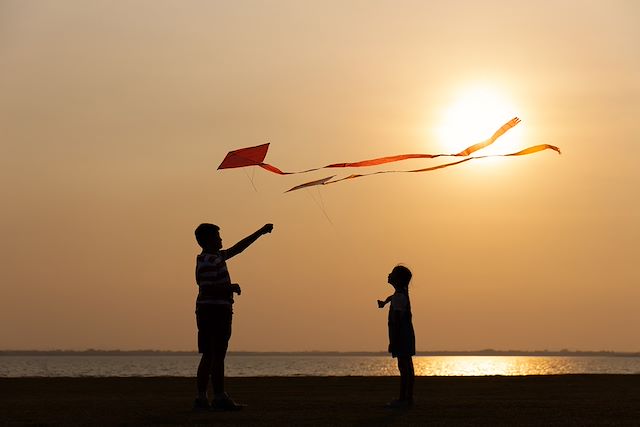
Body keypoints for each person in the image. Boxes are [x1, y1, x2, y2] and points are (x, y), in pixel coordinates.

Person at [193, 222, 273, 410]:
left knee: (209, 354)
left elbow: (238, 248)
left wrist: (260, 232)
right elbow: (206, 287)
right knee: (217, 355)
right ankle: (219, 398)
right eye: (217, 237)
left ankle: (202, 398)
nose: (221, 239)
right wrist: (230, 287)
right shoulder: (208, 261)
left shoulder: (215, 257)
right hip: (215, 312)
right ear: (208, 240)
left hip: (210, 311)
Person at [377, 265, 415, 408]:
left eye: (392, 273)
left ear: (398, 279)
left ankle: (403, 399)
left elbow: (397, 321)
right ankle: (408, 398)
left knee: (404, 367)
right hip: (406, 335)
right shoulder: (400, 294)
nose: (389, 274)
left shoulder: (399, 297)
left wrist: (394, 341)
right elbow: (392, 297)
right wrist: (385, 302)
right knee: (407, 366)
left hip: (401, 336)